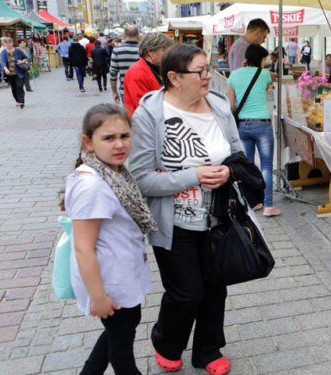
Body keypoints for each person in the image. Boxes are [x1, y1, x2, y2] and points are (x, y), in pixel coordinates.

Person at [129, 44, 243, 375]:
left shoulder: (220, 107)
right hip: (173, 222)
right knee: (186, 292)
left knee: (214, 290)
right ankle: (167, 341)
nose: (209, 76)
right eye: (201, 71)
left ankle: (208, 351)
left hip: (218, 218)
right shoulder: (150, 114)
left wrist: (230, 172)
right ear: (174, 78)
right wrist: (191, 176)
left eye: (209, 68)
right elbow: (140, 178)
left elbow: (239, 157)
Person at [62, 103, 155, 375]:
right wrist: (98, 296)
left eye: (124, 136)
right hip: (108, 281)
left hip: (121, 272)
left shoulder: (113, 172)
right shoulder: (92, 185)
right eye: (109, 138)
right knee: (122, 349)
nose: (119, 144)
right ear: (88, 143)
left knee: (121, 330)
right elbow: (82, 248)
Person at [227, 44, 280, 217]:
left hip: (242, 125)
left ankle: (252, 203)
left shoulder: (233, 75)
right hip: (262, 124)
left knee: (247, 165)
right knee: (266, 165)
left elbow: (230, 104)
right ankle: (268, 206)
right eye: (264, 59)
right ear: (260, 59)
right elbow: (264, 90)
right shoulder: (264, 74)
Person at [123, 32, 173, 116]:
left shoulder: (158, 68)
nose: (168, 54)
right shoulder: (137, 72)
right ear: (151, 52)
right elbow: (143, 106)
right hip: (143, 124)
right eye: (164, 50)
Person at [110, 25, 141, 105]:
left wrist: (114, 92)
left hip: (125, 90)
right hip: (142, 89)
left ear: (124, 35)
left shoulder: (117, 50)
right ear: (138, 35)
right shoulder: (143, 50)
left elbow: (113, 74)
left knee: (129, 115)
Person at [0, 37, 29, 108]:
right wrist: (5, 69)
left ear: (12, 43)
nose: (9, 44)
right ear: (5, 44)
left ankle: (21, 101)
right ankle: (17, 100)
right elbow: (2, 62)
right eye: (7, 43)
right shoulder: (4, 52)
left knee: (19, 86)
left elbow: (26, 57)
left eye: (10, 42)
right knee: (13, 88)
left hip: (19, 73)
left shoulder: (17, 50)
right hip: (10, 73)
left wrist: (21, 61)